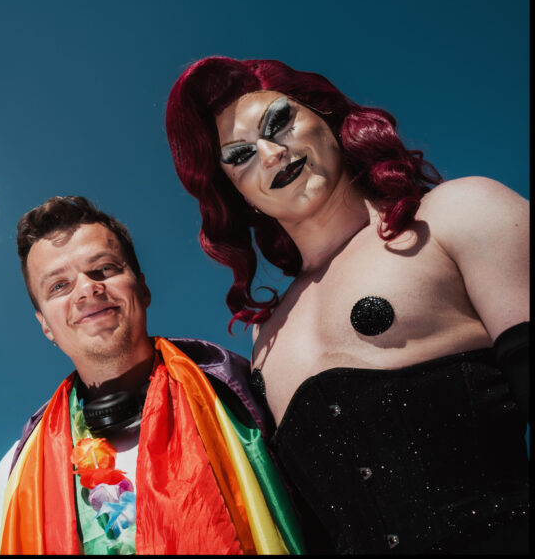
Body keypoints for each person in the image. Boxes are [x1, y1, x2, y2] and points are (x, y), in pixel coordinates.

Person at [165, 56, 529, 554]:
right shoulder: (264, 339)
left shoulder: (460, 213)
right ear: (237, 194)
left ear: (327, 116)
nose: (270, 153)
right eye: (240, 155)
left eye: (278, 122)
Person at [0, 196, 308, 555]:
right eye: (59, 286)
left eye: (104, 269)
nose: (86, 289)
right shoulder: (15, 475)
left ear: (142, 289)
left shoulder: (246, 397)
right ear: (45, 326)